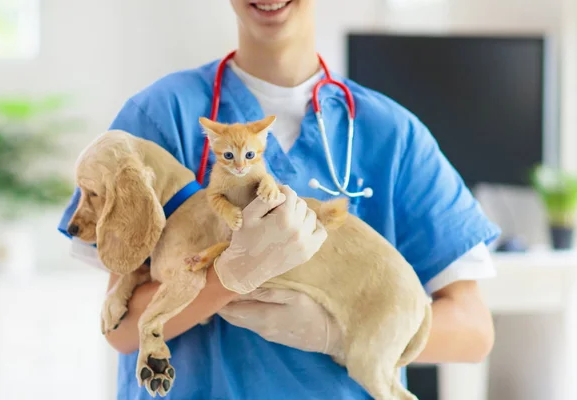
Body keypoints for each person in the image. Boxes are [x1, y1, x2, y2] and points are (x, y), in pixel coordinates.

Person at [57, 0, 501, 398]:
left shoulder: (393, 134)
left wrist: (338, 335)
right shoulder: (159, 118)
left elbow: (473, 331)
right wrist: (226, 278)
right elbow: (120, 331)